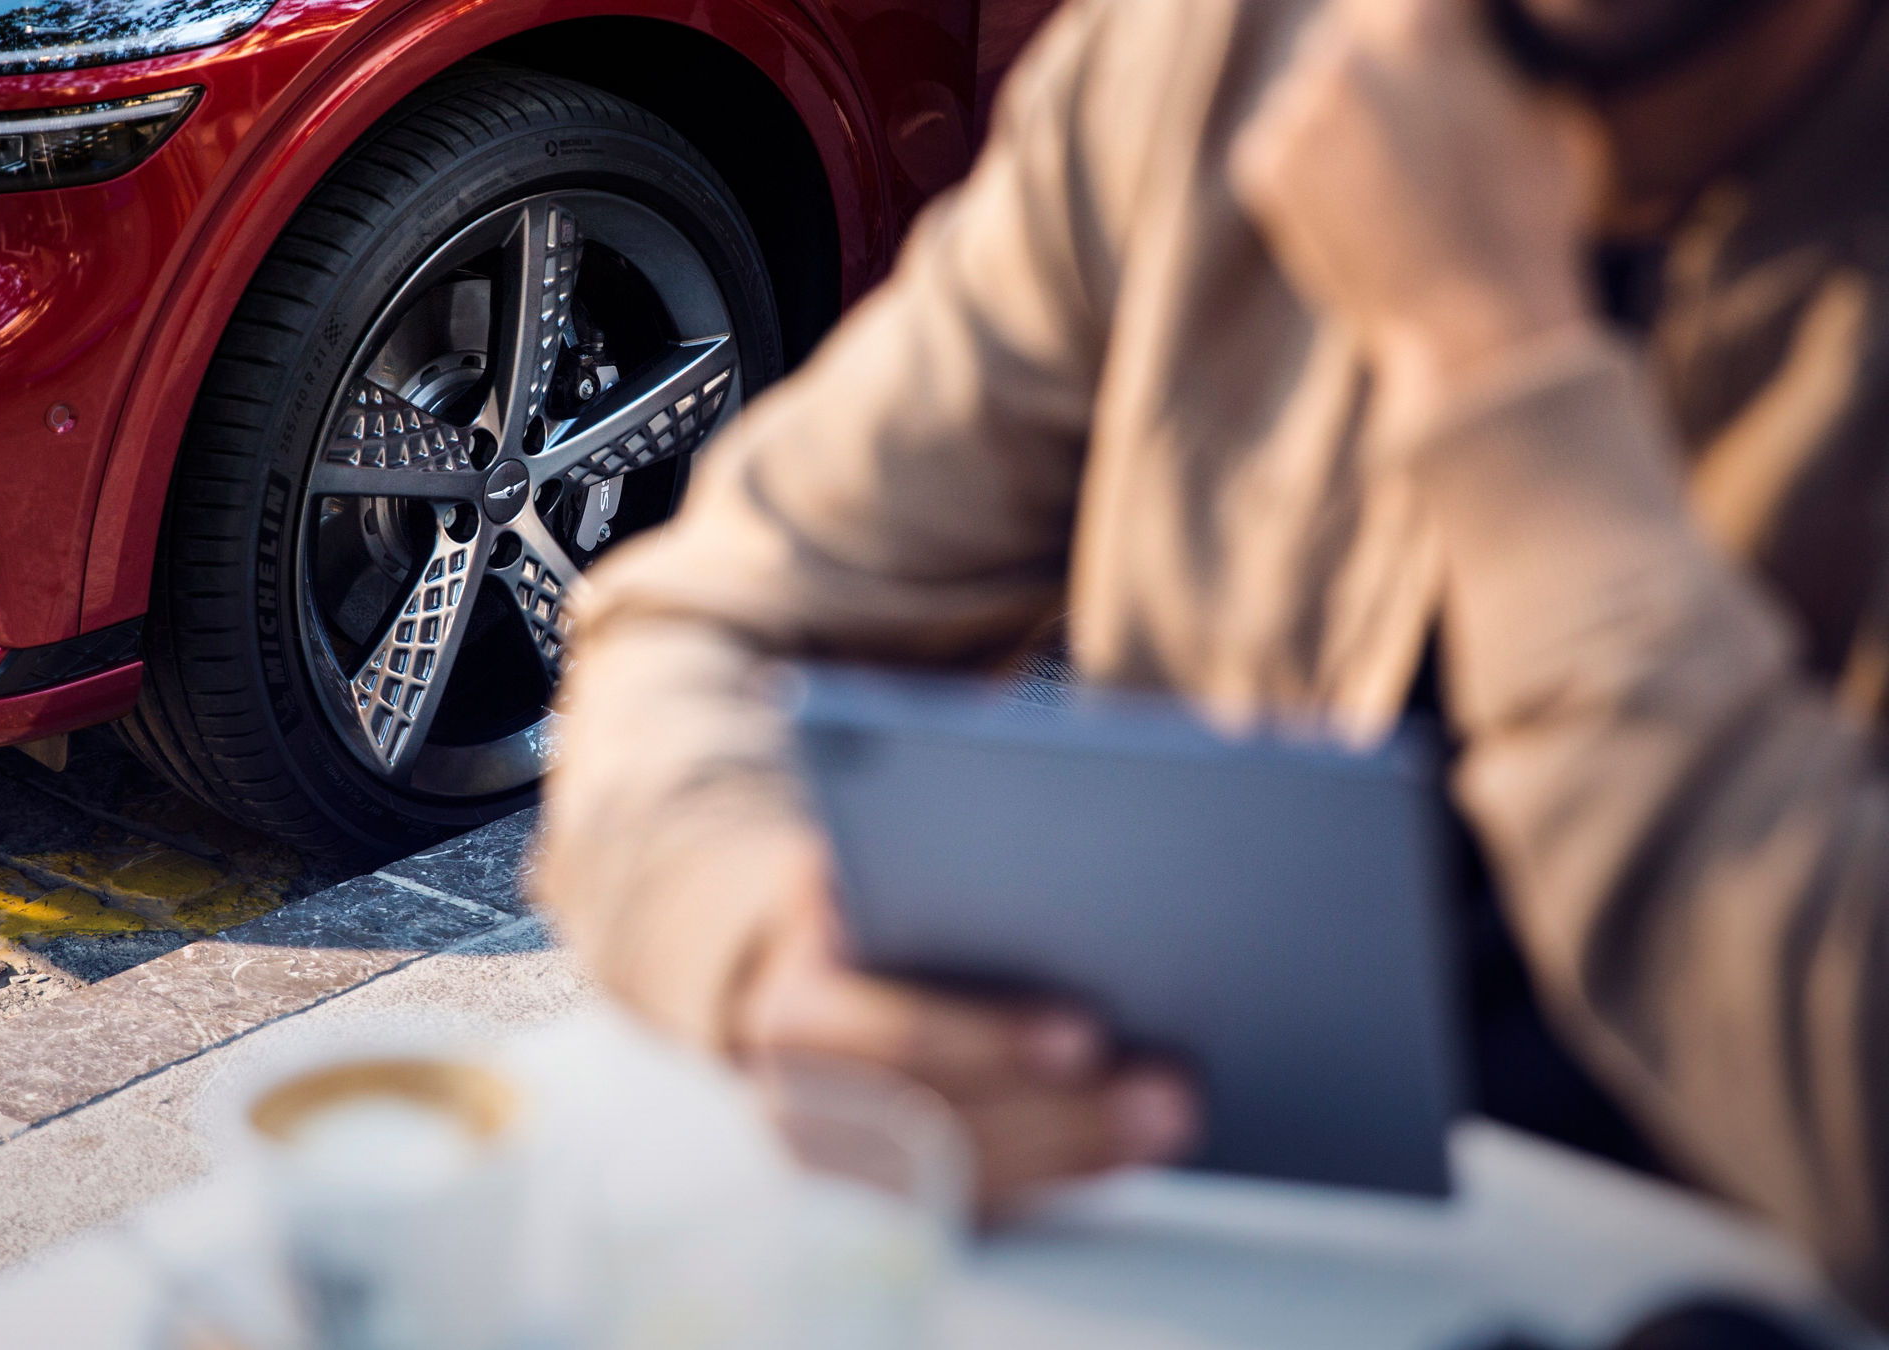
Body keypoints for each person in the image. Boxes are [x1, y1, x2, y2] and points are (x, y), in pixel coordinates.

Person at [529, 0, 1889, 1314]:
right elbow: (698, 623)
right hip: (1167, 1266)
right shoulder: (1217, 54)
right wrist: (771, 946)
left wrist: (1495, 377)